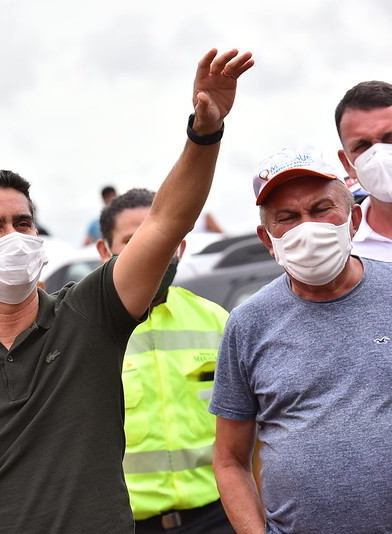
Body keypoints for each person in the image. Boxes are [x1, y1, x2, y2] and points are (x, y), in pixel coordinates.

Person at [0, 47, 254, 533]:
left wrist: (204, 134)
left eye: (23, 223)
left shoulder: (88, 315)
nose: (14, 237)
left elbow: (165, 221)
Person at [209, 145, 392, 533]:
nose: (307, 227)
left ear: (354, 219)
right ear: (267, 238)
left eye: (322, 209)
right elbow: (229, 461)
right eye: (287, 218)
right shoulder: (248, 323)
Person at [96, 189, 233, 534]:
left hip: (218, 518)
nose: (151, 250)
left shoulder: (217, 321)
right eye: (133, 240)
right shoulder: (81, 330)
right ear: (104, 251)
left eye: (164, 238)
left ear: (181, 247)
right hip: (126, 525)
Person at [334, 80, 392, 261]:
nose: (379, 155)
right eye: (363, 145)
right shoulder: (342, 253)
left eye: (390, 137)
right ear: (346, 163)